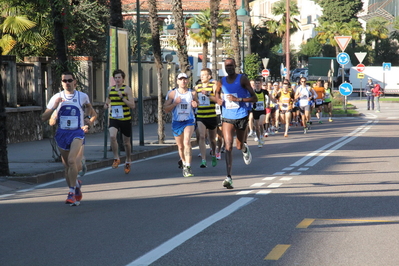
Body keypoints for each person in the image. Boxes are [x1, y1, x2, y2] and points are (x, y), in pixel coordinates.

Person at [41, 71, 97, 205]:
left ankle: (71, 193)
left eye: (69, 80)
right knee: (67, 167)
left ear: (75, 82)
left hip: (77, 132)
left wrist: (88, 120)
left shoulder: (82, 96)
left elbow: (91, 110)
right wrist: (54, 107)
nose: (67, 83)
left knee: (72, 161)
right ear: (61, 83)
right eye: (64, 81)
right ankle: (76, 185)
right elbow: (43, 118)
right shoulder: (56, 97)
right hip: (62, 134)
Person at [215, 58, 257, 189]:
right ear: (224, 68)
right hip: (227, 116)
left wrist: (238, 99)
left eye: (231, 65)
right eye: (227, 66)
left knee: (238, 146)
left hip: (241, 115)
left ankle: (244, 148)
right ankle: (228, 177)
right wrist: (218, 100)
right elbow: (216, 94)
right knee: (228, 145)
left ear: (235, 66)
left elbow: (254, 97)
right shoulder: (221, 81)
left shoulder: (242, 79)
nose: (229, 68)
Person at [164, 73, 198, 177]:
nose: (183, 81)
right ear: (177, 81)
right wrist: (174, 103)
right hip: (177, 122)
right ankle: (184, 163)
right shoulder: (172, 94)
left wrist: (196, 104)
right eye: (181, 79)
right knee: (180, 146)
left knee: (187, 142)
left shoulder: (192, 93)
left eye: (185, 79)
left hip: (189, 120)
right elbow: (165, 109)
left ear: (187, 81)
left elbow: (197, 104)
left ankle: (188, 166)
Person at [103, 69, 136, 174]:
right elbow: (109, 99)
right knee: (112, 136)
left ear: (123, 79)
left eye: (119, 78)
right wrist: (106, 104)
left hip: (125, 118)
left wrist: (122, 98)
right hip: (114, 117)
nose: (117, 80)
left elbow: (132, 105)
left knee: (126, 143)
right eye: (115, 78)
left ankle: (128, 160)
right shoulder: (110, 89)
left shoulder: (127, 89)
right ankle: (116, 158)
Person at [195, 68, 218, 168]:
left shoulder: (213, 86)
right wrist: (194, 102)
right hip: (201, 116)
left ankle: (213, 154)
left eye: (204, 75)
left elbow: (217, 100)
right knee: (202, 136)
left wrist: (208, 94)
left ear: (209, 76)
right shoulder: (197, 87)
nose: (202, 76)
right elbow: (194, 100)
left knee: (212, 139)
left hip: (211, 115)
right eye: (201, 74)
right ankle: (203, 159)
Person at [251, 78, 268, 147]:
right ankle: (259, 140)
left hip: (262, 110)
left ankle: (261, 136)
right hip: (255, 110)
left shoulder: (264, 91)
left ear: (261, 84)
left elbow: (269, 98)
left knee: (261, 123)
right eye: (256, 83)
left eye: (259, 83)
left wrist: (272, 102)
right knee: (256, 127)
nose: (257, 85)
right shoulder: (252, 92)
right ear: (254, 84)